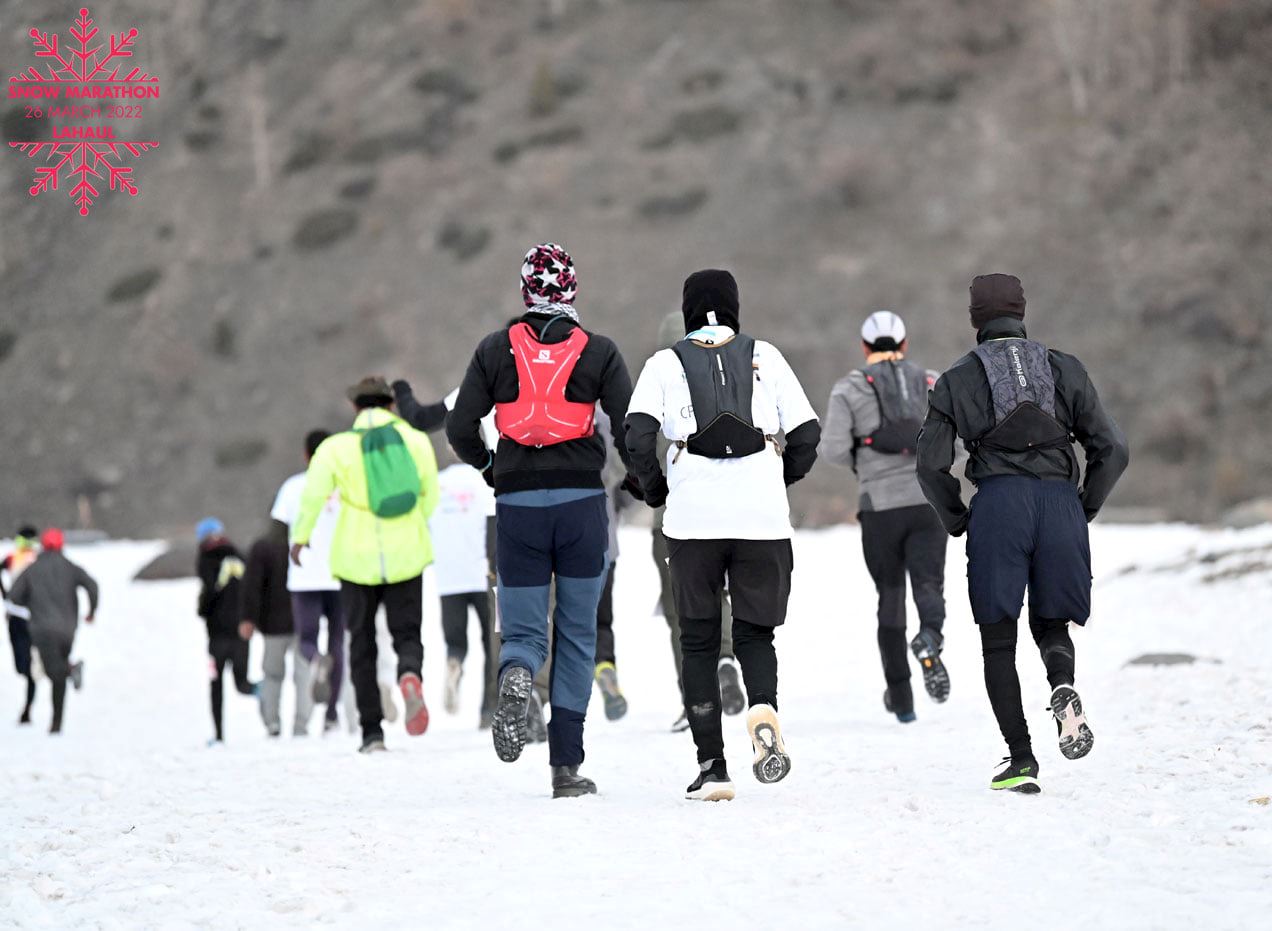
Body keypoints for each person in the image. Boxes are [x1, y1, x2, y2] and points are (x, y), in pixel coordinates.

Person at [916, 274, 1129, 794]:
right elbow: (1113, 450)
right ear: (1022, 311)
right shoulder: (1064, 367)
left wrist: (958, 518)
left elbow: (929, 465)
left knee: (998, 642)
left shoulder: (957, 378)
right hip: (1060, 505)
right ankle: (1062, 686)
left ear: (975, 319)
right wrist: (1085, 508)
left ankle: (1021, 759)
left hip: (998, 507)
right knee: (1052, 624)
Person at [447, 242, 634, 799]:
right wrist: (641, 482)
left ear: (525, 289)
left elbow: (460, 428)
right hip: (582, 508)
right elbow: (630, 427)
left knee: (524, 631)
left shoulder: (493, 350)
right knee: (577, 635)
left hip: (517, 511)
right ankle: (565, 769)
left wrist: (490, 468)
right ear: (573, 288)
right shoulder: (598, 351)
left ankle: (515, 677)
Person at [625, 269, 821, 801]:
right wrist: (781, 478)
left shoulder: (663, 364)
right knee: (756, 634)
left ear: (688, 311)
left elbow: (636, 434)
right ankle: (762, 709)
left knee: (698, 639)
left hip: (693, 524)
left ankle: (713, 766)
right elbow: (807, 432)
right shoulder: (768, 356)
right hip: (761, 520)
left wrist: (657, 487)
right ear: (734, 306)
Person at [291, 376, 440, 753]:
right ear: (391, 405)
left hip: (355, 559)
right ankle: (409, 674)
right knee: (407, 633)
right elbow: (430, 496)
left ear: (356, 407)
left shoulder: (335, 448)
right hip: (407, 553)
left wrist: (301, 537)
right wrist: (411, 526)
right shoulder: (416, 440)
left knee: (361, 642)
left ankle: (372, 732)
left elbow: (312, 496)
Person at [820, 311, 951, 723]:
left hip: (879, 507)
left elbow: (831, 449)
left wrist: (864, 456)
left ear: (864, 347)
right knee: (929, 583)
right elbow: (958, 443)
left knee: (890, 597)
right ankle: (930, 637)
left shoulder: (849, 389)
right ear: (905, 343)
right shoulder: (932, 382)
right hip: (928, 503)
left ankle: (902, 700)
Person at [650, 310, 745, 733]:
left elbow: (640, 453)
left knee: (681, 612)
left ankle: (695, 699)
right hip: (727, 512)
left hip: (674, 518)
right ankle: (726, 656)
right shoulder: (732, 384)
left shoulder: (655, 388)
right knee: (721, 594)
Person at [271, 429, 346, 735]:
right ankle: (331, 716)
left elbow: (277, 533)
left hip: (303, 576)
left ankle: (315, 660)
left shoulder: (292, 487)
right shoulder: (343, 485)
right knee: (339, 643)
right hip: (342, 574)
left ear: (305, 455)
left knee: (306, 639)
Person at [7, 529, 98, 734]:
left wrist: (28, 603)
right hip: (68, 629)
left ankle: (72, 670)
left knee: (54, 672)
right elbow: (93, 586)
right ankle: (57, 724)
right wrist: (92, 611)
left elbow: (14, 596)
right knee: (59, 671)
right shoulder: (70, 567)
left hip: (42, 630)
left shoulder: (33, 569)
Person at [428, 459, 498, 727]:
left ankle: (454, 661)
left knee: (455, 642)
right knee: (491, 645)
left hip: (448, 576)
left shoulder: (437, 483)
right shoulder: (485, 481)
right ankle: (488, 710)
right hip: (483, 573)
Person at [195, 518, 256, 743]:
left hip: (217, 636)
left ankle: (219, 735)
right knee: (243, 683)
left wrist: (201, 609)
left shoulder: (205, 559)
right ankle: (269, 700)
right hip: (241, 631)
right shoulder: (239, 555)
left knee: (216, 684)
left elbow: (209, 594)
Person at [240, 521, 299, 737]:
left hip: (273, 625)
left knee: (273, 675)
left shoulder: (263, 546)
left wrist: (249, 618)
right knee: (302, 674)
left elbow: (252, 586)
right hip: (302, 621)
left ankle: (271, 721)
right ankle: (301, 726)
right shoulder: (303, 543)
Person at [2, 525, 41, 723]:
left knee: (30, 667)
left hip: (33, 618)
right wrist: (6, 598)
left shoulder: (39, 560)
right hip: (15, 617)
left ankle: (27, 709)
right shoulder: (12, 558)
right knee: (21, 665)